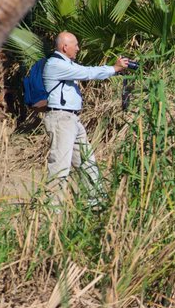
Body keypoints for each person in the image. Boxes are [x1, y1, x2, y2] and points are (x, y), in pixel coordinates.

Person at [42, 31, 129, 202]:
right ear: (64, 46)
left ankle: (95, 202)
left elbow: (84, 71)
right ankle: (52, 210)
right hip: (61, 119)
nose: (78, 48)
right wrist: (114, 69)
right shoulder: (55, 64)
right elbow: (87, 73)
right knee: (60, 165)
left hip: (72, 120)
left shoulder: (67, 64)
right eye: (75, 44)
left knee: (87, 161)